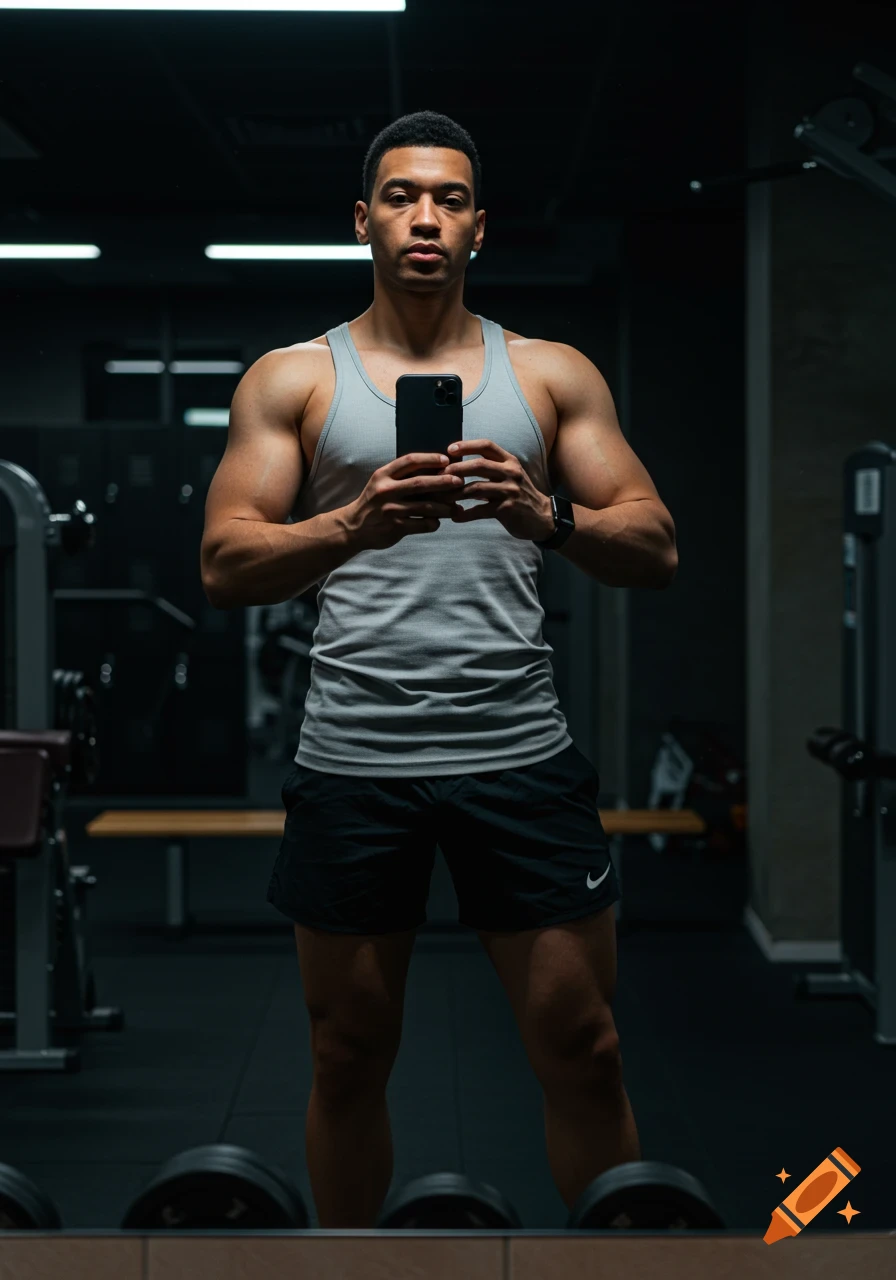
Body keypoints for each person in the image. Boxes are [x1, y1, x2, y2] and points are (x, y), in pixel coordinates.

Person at [201, 111, 678, 1229]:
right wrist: (351, 527)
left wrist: (546, 515)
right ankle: (356, 1264)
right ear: (362, 219)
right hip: (355, 763)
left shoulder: (550, 375)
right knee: (346, 1052)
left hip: (517, 754)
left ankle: (624, 1265)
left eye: (451, 198)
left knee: (584, 1045)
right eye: (405, 195)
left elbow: (653, 545)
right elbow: (225, 562)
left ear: (479, 227)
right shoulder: (293, 380)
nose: (427, 216)